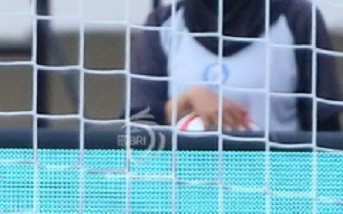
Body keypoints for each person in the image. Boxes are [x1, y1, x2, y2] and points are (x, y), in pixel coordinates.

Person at [127, 0, 342, 132]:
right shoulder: (163, 23)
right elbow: (132, 133)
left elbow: (326, 134)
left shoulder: (299, 19)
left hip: (275, 197)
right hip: (187, 197)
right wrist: (187, 101)